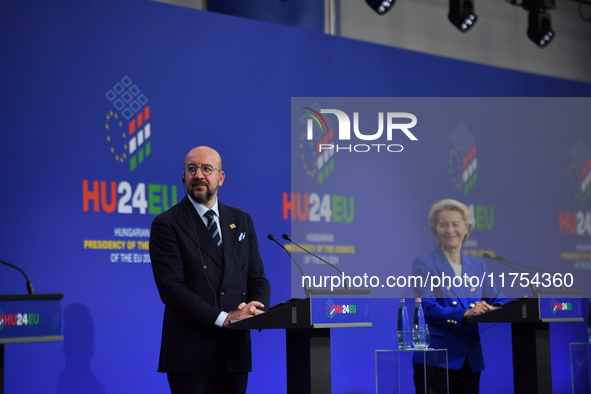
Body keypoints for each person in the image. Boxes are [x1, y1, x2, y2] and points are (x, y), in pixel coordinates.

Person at [149, 146, 271, 394]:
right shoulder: (167, 224)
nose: (199, 175)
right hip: (191, 357)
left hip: (234, 353)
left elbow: (257, 277)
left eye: (207, 168)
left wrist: (255, 307)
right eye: (191, 169)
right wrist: (223, 318)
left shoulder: (242, 220)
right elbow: (171, 288)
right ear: (184, 176)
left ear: (221, 177)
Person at [411, 199, 510, 394]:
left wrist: (489, 309)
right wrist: (466, 314)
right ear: (435, 230)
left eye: (456, 224)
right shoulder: (423, 264)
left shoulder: (478, 265)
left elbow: (501, 301)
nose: (450, 230)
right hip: (437, 358)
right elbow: (427, 308)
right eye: (443, 224)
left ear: (467, 228)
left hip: (469, 357)